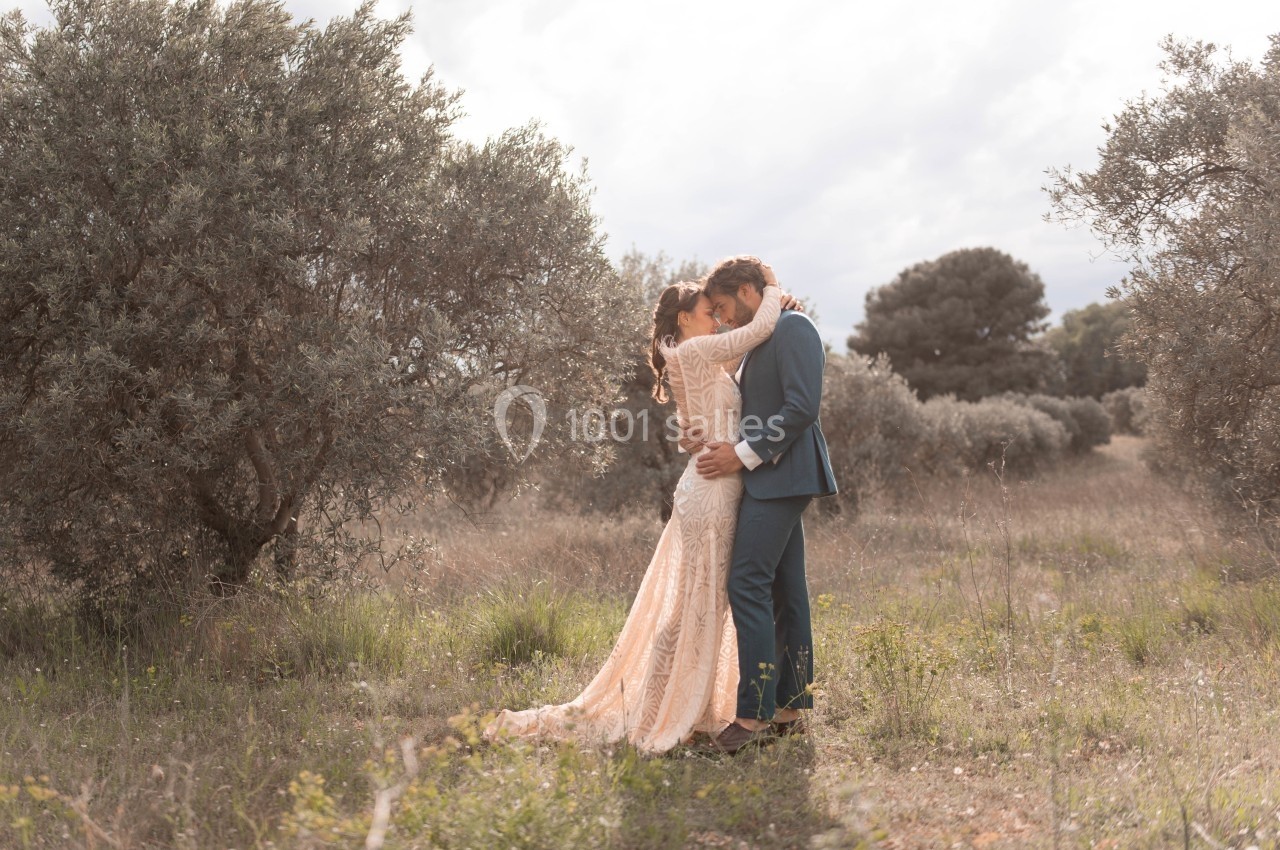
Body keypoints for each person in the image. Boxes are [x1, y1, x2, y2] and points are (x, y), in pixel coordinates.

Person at [484, 263, 794, 754]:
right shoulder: (694, 351)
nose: (718, 319)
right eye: (709, 312)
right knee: (698, 603)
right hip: (712, 493)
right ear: (685, 320)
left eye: (718, 312)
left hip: (713, 483)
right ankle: (664, 706)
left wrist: (699, 436)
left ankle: (682, 700)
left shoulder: (697, 358)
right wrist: (774, 286)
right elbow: (757, 329)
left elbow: (709, 416)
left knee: (702, 602)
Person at [694, 256, 837, 754]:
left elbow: (801, 408)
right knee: (785, 591)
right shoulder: (762, 336)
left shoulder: (795, 328)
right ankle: (791, 707)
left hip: (782, 475)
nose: (721, 318)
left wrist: (741, 455)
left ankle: (753, 716)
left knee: (746, 583)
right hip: (770, 478)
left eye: (723, 306)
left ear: (748, 290)